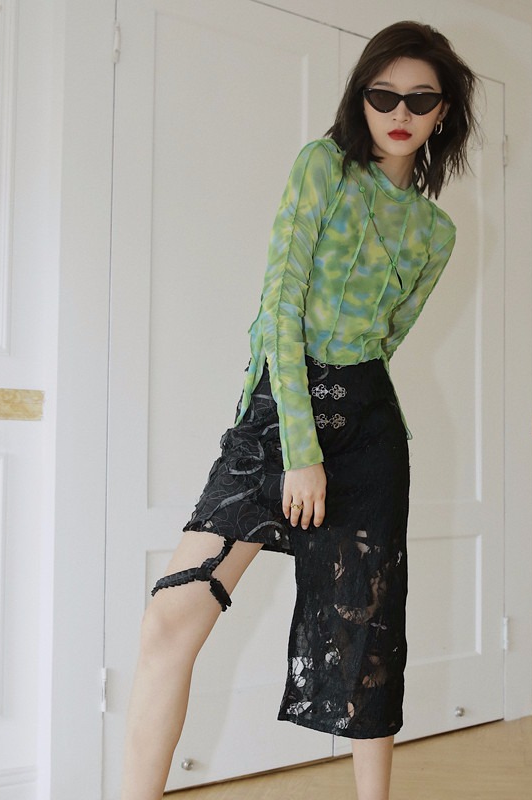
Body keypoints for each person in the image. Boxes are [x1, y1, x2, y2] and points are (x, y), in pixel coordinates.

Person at [121, 20, 479, 800]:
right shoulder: (323, 167)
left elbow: (386, 340)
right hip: (283, 412)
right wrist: (301, 446)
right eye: (384, 94)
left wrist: (336, 432)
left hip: (368, 430)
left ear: (443, 112)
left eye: (421, 99)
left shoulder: (435, 232)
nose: (401, 112)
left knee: (368, 637)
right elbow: (281, 306)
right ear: (360, 97)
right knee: (169, 622)